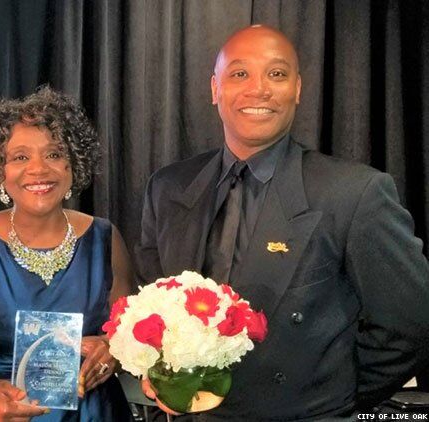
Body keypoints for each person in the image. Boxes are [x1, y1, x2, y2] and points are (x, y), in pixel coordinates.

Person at [136, 25, 429, 420]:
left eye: (276, 74)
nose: (259, 89)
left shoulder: (354, 193)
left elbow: (409, 327)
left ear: (298, 89)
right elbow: (155, 310)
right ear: (214, 89)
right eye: (239, 74)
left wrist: (327, 395)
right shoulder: (168, 187)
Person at [0, 87, 135, 421]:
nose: (39, 169)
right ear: (0, 171)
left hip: (93, 414)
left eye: (53, 154)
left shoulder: (105, 239)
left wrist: (113, 350)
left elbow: (131, 335)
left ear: (73, 165)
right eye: (20, 157)